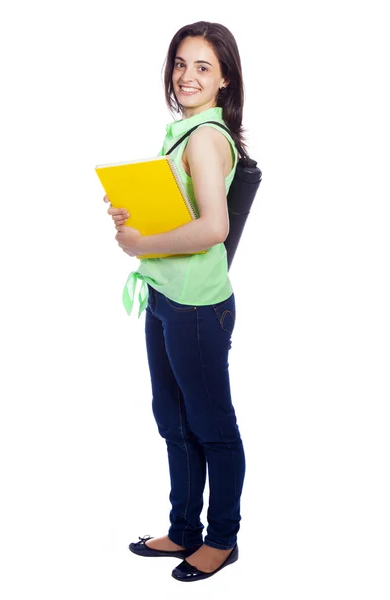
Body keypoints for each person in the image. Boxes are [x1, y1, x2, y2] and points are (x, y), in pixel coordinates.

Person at [103, 21, 249, 582]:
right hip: (165, 296)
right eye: (181, 63)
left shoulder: (208, 138)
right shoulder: (183, 131)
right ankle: (184, 529)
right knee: (173, 420)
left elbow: (213, 227)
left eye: (203, 67)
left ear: (225, 80)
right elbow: (182, 212)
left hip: (197, 309)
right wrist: (132, 217)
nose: (187, 76)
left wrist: (140, 244)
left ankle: (222, 540)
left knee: (212, 426)